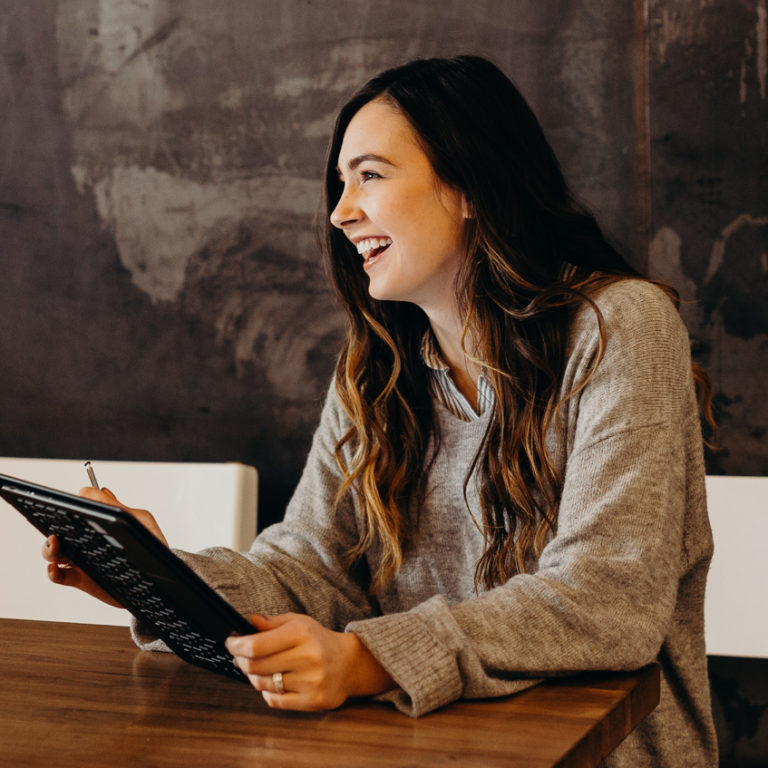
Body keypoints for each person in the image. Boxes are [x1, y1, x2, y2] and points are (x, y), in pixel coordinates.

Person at [43, 55, 718, 767]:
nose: (340, 213)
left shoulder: (621, 327)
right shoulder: (377, 368)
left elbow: (607, 597)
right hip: (424, 749)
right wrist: (159, 581)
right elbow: (312, 568)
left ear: (468, 186)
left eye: (369, 174)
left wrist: (368, 659)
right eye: (340, 184)